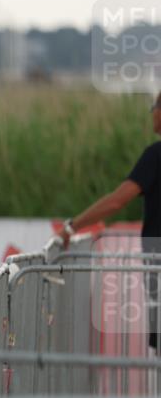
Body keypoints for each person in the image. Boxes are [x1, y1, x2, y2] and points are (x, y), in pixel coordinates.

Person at [56, 90, 161, 351]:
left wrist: (72, 226)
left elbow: (117, 200)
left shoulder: (156, 156)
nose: (151, 113)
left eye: (154, 106)